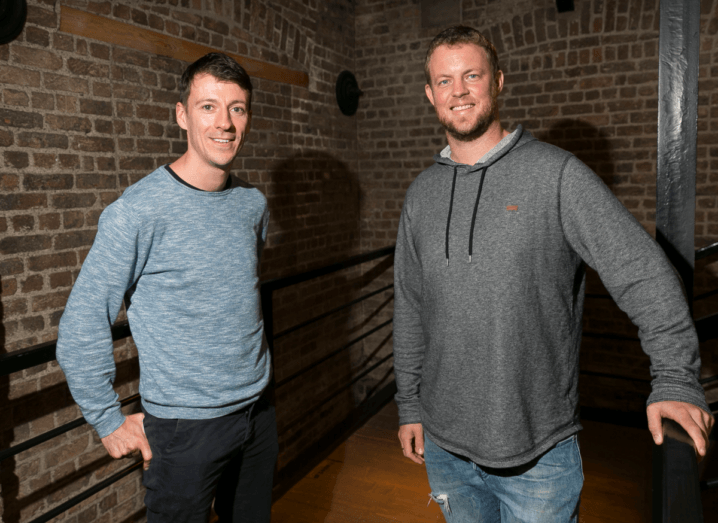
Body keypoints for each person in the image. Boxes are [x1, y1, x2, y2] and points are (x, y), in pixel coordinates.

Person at [393, 25, 714, 522]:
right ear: (430, 93)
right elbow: (411, 308)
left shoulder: (557, 175)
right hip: (444, 445)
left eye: (471, 75)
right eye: (444, 80)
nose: (458, 91)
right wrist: (410, 406)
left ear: (498, 81)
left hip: (538, 455)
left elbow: (644, 274)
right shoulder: (421, 196)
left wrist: (674, 379)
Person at [56, 52, 276, 523]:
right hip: (185, 429)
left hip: (258, 413)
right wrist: (107, 419)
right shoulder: (137, 211)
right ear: (182, 115)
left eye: (237, 108)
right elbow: (81, 321)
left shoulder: (251, 204)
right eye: (208, 107)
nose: (225, 123)